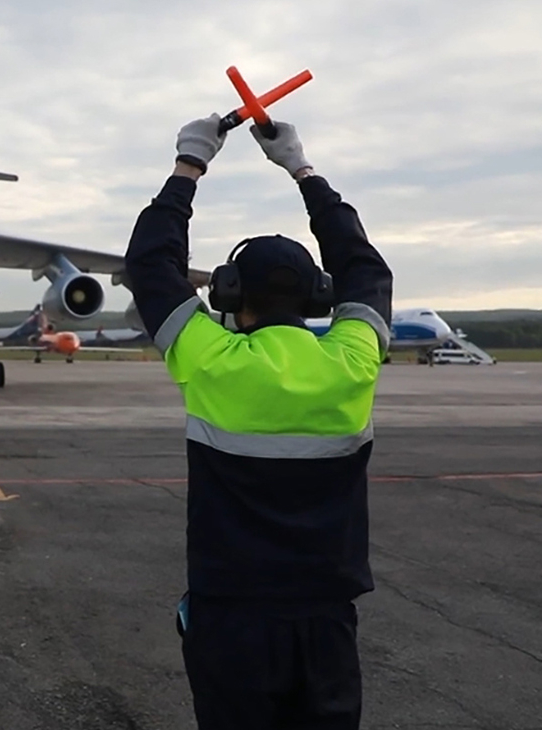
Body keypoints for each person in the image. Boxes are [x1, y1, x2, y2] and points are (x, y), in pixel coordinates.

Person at [124, 115, 393, 730]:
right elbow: (365, 268)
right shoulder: (351, 361)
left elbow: (149, 263)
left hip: (233, 618)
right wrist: (303, 169)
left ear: (228, 294)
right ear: (320, 298)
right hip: (326, 621)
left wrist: (190, 164)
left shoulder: (212, 359)